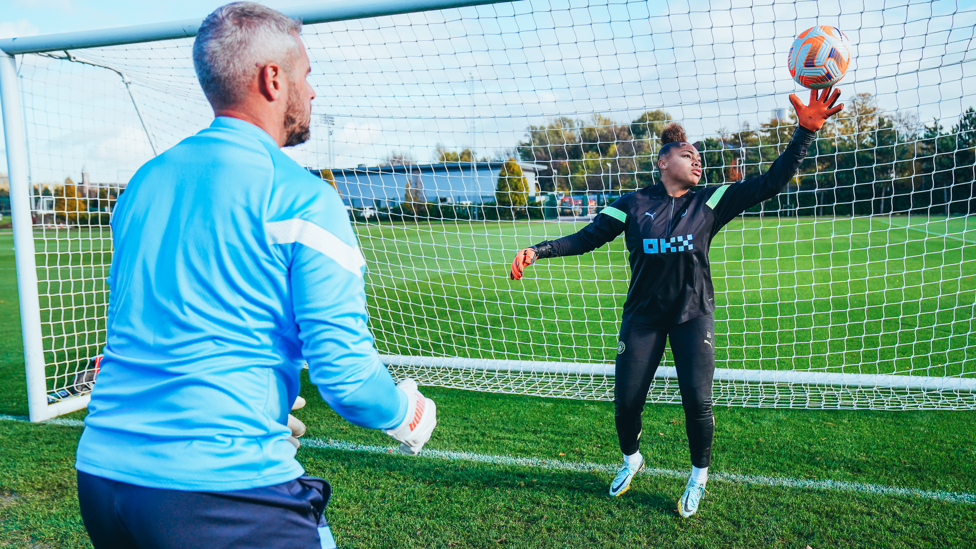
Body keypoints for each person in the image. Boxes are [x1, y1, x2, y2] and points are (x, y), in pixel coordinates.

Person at [74, 3, 436, 548]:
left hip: (104, 480)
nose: (311, 91)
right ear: (272, 79)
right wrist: (408, 413)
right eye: (306, 73)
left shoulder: (143, 185)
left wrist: (261, 398)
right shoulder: (301, 197)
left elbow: (153, 327)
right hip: (222, 495)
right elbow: (348, 378)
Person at [510, 87, 843, 517]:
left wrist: (804, 133)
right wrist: (538, 250)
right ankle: (632, 460)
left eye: (699, 157)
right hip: (643, 319)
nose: (697, 161)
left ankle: (698, 475)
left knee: (696, 402)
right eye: (689, 154)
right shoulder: (633, 204)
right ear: (664, 161)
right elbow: (587, 237)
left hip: (692, 317)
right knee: (627, 402)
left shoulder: (711, 201)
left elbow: (771, 183)